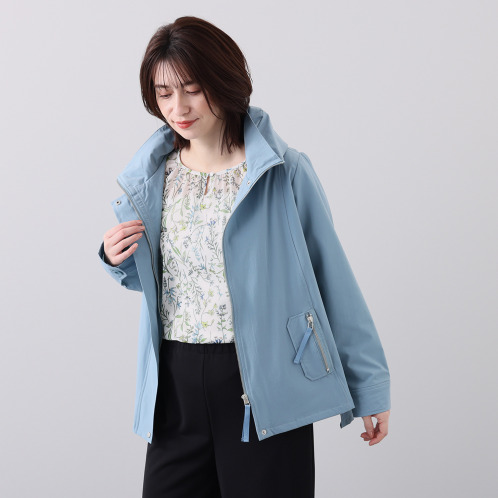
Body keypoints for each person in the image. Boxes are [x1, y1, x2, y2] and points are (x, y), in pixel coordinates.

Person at [98, 16, 391, 498]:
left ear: (224, 81)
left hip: (264, 383)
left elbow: (331, 278)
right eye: (164, 93)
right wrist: (117, 258)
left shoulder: (283, 172)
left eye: (192, 89)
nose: (178, 108)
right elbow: (169, 276)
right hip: (174, 386)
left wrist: (369, 385)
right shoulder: (154, 178)